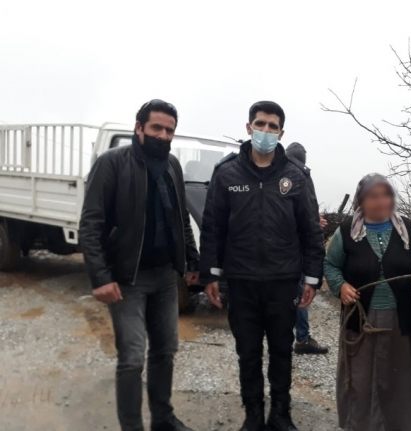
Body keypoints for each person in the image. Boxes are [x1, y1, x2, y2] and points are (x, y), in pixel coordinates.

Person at [200, 101, 325, 431]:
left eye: (273, 126)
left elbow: (310, 230)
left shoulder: (295, 177)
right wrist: (210, 274)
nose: (266, 131)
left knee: (282, 351)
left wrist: (312, 278)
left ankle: (280, 415)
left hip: (283, 282)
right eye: (260, 124)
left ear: (281, 132)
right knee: (248, 353)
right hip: (241, 282)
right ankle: (253, 415)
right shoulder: (227, 173)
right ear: (248, 127)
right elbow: (213, 228)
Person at [79, 99, 199, 431]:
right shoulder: (112, 164)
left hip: (165, 278)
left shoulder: (173, 166)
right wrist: (100, 277)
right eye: (156, 128)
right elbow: (90, 224)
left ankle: (163, 419)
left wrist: (191, 261)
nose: (163, 135)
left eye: (169, 130)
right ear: (139, 127)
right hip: (127, 278)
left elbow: (181, 220)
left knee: (165, 352)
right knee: (132, 359)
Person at [324, 173, 411, 431]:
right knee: (361, 378)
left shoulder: (408, 229)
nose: (380, 201)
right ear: (360, 200)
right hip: (361, 320)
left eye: (386, 194)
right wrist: (340, 286)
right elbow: (330, 265)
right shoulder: (346, 232)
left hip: (401, 320)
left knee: (400, 379)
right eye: (373, 196)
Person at [285, 142, 329, 355]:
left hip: (279, 252)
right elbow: (304, 211)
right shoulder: (302, 175)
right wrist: (313, 222)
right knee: (301, 292)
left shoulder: (275, 174)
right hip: (298, 250)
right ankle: (302, 339)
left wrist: (313, 219)